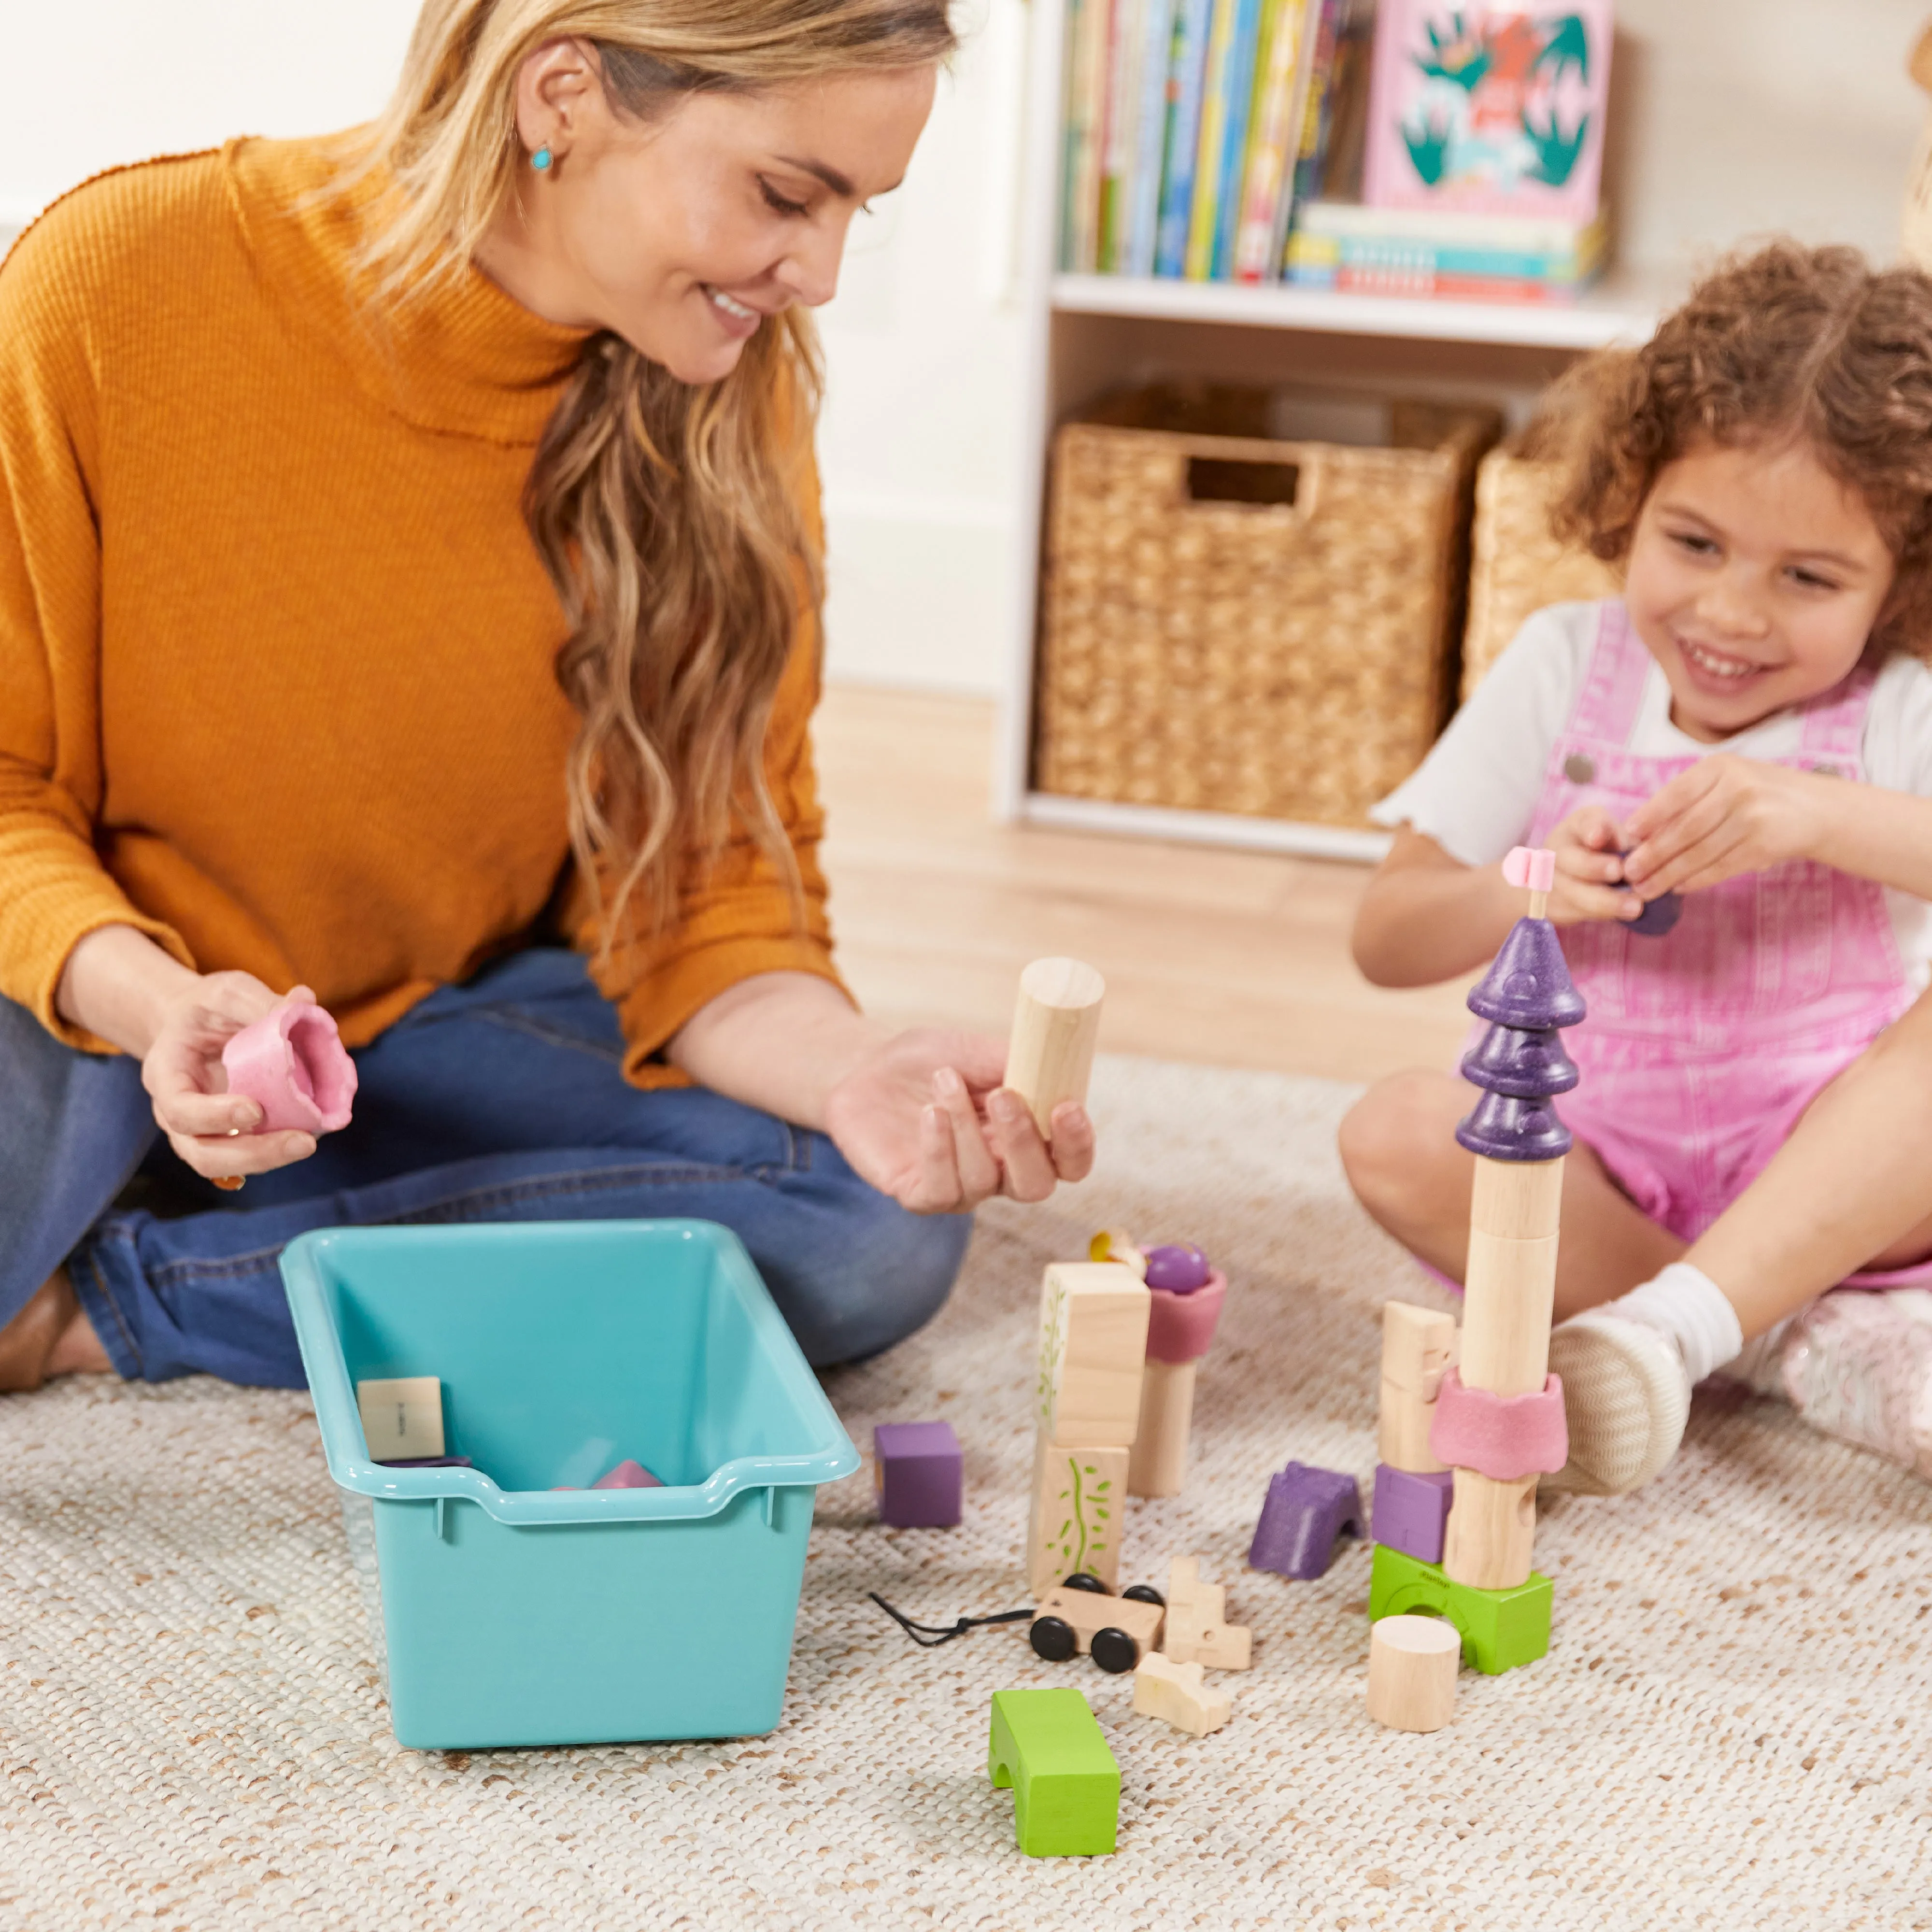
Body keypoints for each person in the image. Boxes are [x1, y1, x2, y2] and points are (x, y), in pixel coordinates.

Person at [0, 0, 1095, 1396]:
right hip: (92, 1000)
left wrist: (850, 1069)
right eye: (784, 194)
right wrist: (162, 1011)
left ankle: (112, 1300)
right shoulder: (119, 283)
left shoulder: (727, 396)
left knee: (868, 1229)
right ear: (562, 96)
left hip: (405, 1027)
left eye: (854, 213)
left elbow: (705, 892)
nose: (816, 274)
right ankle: (226, 1222)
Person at [1339, 241, 1932, 1495]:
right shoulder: (1565, 664)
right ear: (1630, 496)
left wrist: (1820, 813)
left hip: (1843, 1165)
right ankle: (1768, 1330)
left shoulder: (1897, 710)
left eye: (1809, 578)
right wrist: (1529, 881)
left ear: (1898, 586)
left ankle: (1677, 1330)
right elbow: (1388, 936)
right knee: (1395, 1131)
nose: (1731, 614)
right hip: (1597, 1158)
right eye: (1696, 543)